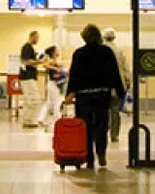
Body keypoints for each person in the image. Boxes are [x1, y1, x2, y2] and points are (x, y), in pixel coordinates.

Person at [64, 24, 126, 169]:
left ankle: (89, 158)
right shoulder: (106, 52)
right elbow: (114, 73)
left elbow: (74, 76)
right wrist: (121, 92)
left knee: (85, 127)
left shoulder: (79, 53)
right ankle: (101, 154)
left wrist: (69, 94)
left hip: (83, 97)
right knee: (101, 126)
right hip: (101, 95)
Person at [102, 27, 132, 143]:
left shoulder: (101, 50)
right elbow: (126, 69)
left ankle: (103, 132)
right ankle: (114, 135)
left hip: (103, 86)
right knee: (115, 110)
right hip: (117, 86)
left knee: (103, 110)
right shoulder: (119, 50)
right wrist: (127, 83)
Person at [35, 46, 65, 131]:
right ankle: (57, 120)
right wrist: (55, 68)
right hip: (52, 84)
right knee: (56, 102)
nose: (58, 51)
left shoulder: (55, 61)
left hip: (54, 84)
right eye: (57, 50)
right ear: (53, 52)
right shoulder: (51, 61)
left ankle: (41, 118)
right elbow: (45, 65)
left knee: (49, 103)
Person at [19, 30, 43, 127]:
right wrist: (39, 62)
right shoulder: (27, 48)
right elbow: (26, 62)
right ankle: (29, 120)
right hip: (27, 77)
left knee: (29, 99)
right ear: (32, 36)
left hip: (29, 76)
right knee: (33, 99)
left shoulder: (30, 48)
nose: (37, 39)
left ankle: (29, 119)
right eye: (36, 37)